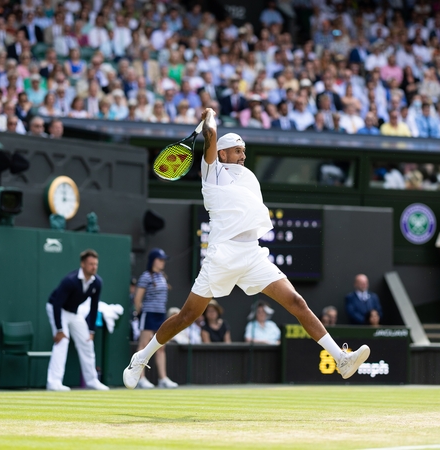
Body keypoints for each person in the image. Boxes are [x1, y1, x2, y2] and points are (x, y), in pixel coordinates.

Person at [123, 108, 370, 389]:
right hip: (222, 255)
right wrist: (211, 117)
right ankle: (141, 357)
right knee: (187, 316)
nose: (242, 155)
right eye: (237, 151)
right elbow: (211, 135)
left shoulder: (247, 178)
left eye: (243, 151)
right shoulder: (212, 173)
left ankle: (340, 358)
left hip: (252, 254)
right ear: (223, 154)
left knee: (297, 302)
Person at [45, 249, 109, 391]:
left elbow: (94, 307)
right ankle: (53, 382)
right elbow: (57, 304)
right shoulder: (70, 281)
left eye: (96, 264)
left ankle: (92, 381)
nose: (94, 267)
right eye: (91, 264)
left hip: (74, 312)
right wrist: (60, 330)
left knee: (87, 341)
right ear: (83, 265)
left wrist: (91, 330)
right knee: (62, 341)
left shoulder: (97, 283)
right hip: (57, 309)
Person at [132, 248, 178, 389]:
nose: (162, 262)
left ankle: (163, 378)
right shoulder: (146, 276)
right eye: (160, 259)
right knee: (144, 346)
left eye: (163, 260)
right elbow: (137, 299)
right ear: (153, 260)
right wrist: (140, 314)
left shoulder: (162, 276)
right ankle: (140, 378)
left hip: (161, 315)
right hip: (149, 314)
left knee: (161, 347)